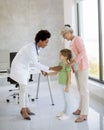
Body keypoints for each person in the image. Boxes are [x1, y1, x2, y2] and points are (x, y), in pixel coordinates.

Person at [10, 30, 61, 120]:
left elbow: (37, 62)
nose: (47, 44)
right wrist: (51, 68)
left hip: (25, 68)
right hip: (18, 68)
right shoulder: (31, 48)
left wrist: (43, 70)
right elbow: (36, 64)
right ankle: (23, 110)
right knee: (23, 89)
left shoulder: (37, 48)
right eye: (46, 42)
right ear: (40, 40)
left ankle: (27, 107)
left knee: (25, 88)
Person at [61, 24, 89, 122]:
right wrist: (69, 62)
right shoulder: (72, 42)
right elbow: (74, 55)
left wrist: (73, 62)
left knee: (84, 90)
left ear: (68, 32)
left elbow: (83, 52)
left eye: (65, 35)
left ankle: (84, 114)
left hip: (83, 67)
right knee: (80, 89)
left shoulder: (78, 39)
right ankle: (80, 108)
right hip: (77, 68)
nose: (64, 38)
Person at [48, 49, 72, 120]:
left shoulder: (68, 65)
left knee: (67, 99)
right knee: (65, 98)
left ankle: (67, 114)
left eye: (60, 55)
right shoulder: (60, 63)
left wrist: (67, 86)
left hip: (65, 84)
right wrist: (47, 74)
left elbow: (69, 77)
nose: (59, 56)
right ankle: (64, 111)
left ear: (65, 56)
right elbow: (55, 72)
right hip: (61, 83)